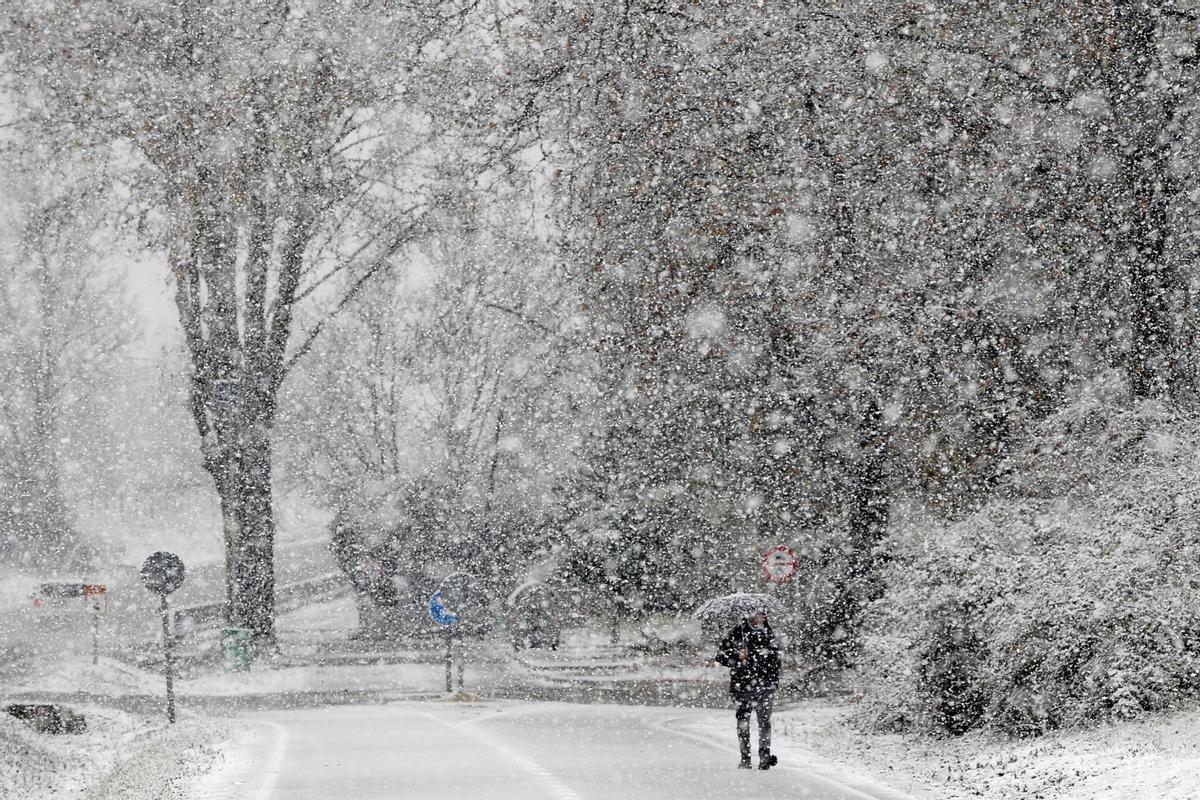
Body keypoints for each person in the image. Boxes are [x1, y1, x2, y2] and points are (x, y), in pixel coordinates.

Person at [712, 611, 781, 770]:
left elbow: (776, 661)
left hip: (765, 686)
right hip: (742, 686)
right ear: (750, 616)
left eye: (763, 615)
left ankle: (764, 757)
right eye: (757, 615)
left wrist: (773, 681)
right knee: (743, 722)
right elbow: (721, 656)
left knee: (764, 723)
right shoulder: (738, 633)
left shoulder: (769, 634)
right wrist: (737, 656)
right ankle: (745, 758)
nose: (760, 618)